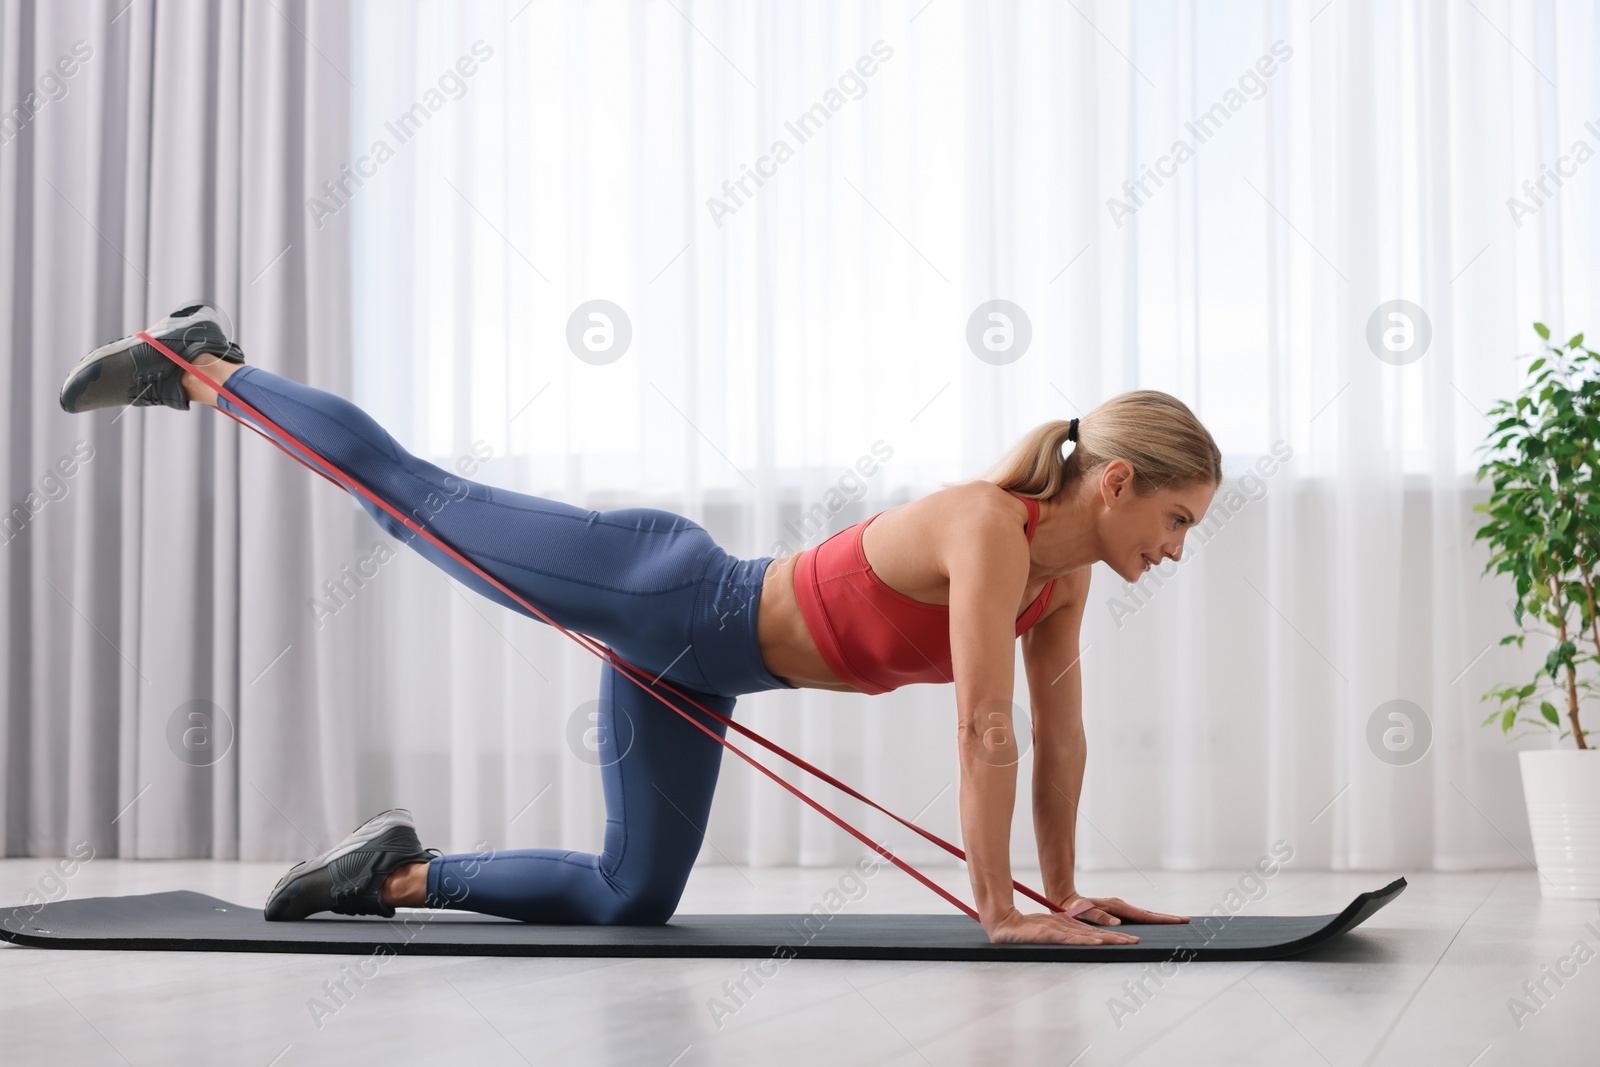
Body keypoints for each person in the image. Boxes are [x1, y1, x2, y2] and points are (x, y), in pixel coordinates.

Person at [60, 303, 1221, 945]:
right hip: (670, 592)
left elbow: (1057, 737)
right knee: (422, 506)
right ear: (1112, 482)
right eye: (1173, 518)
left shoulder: (1057, 587)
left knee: (630, 898)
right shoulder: (987, 528)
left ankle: (388, 875)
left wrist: (1060, 889)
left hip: (699, 675)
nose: (1173, 549)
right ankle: (199, 364)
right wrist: (1000, 912)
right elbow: (986, 729)